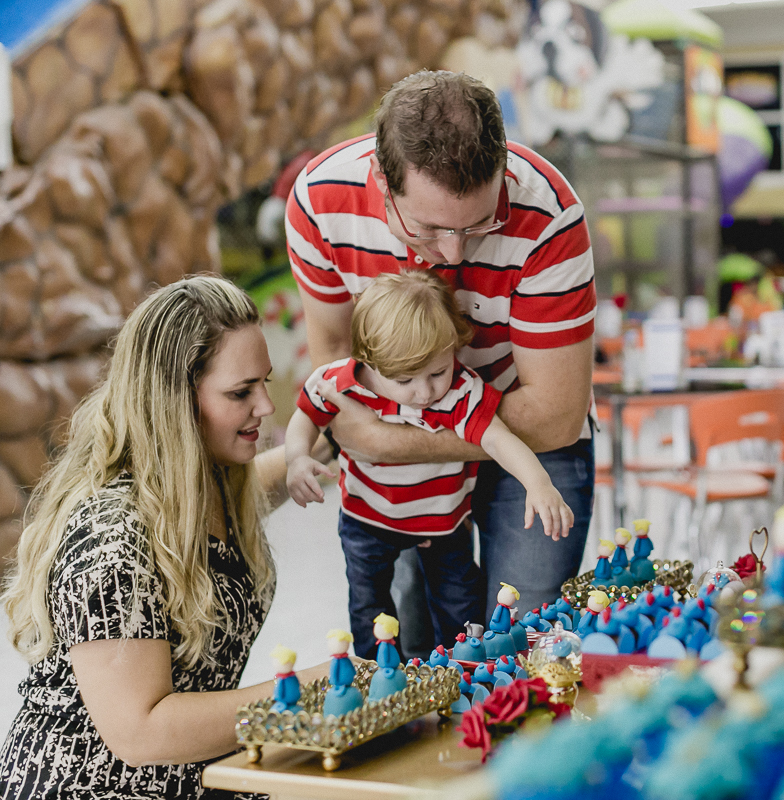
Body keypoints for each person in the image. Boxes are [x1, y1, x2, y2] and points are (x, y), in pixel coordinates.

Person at [0, 276, 330, 797]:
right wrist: (309, 687)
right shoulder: (109, 539)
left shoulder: (206, 484)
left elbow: (245, 500)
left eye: (264, 382)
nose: (266, 407)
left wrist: (323, 442)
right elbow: (140, 730)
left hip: (188, 776)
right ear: (174, 402)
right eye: (241, 392)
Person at [285, 70, 596, 622]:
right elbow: (334, 356)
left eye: (480, 225)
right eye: (428, 229)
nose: (453, 254)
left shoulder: (547, 214)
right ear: (382, 180)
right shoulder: (319, 203)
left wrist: (384, 438)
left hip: (519, 436)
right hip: (409, 461)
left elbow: (553, 417)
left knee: (521, 637)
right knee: (411, 634)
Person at [285, 271, 574, 657]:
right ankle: (380, 674)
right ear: (369, 360)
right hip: (367, 518)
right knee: (368, 603)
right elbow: (306, 414)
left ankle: (460, 671)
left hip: (443, 523)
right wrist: (296, 457)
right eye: (405, 380)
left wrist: (538, 483)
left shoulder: (458, 391)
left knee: (459, 600)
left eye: (437, 371)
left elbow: (498, 438)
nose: (424, 392)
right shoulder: (340, 381)